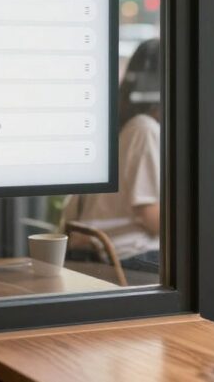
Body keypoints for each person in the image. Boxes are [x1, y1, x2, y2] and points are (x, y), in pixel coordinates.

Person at [62, 39, 163, 274]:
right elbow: (150, 217)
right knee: (203, 270)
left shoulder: (116, 126)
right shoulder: (143, 128)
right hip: (124, 255)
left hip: (94, 252)